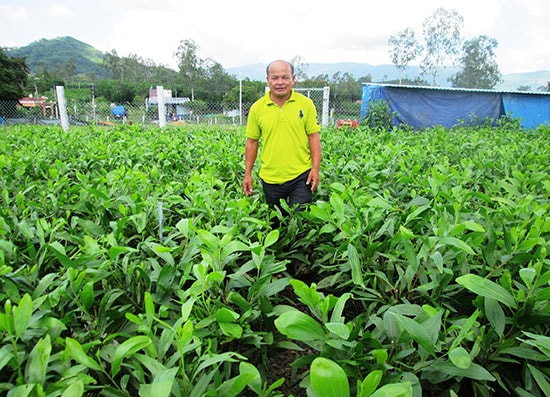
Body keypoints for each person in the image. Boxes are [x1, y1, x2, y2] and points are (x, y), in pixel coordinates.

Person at [242, 59, 322, 223]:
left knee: (299, 221)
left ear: (293, 79)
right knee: (276, 223)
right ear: (268, 80)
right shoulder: (258, 108)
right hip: (270, 178)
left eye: (285, 77)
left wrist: (315, 168)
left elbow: (313, 137)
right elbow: (252, 142)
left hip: (301, 176)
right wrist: (248, 174)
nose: (280, 82)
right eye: (275, 77)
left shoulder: (306, 104)